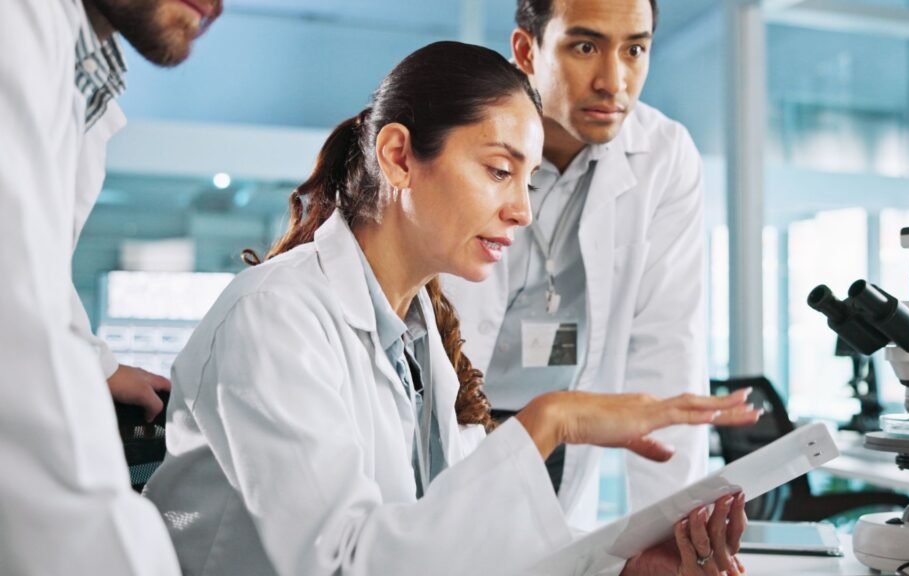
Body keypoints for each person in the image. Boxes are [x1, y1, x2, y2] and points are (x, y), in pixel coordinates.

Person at [144, 41, 758, 576]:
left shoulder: (420, 334)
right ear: (399, 156)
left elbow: (454, 540)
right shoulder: (274, 318)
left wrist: (620, 567)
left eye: (528, 180)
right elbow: (342, 565)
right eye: (498, 170)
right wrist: (550, 421)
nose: (523, 209)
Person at [442, 0, 709, 531]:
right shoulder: (456, 137)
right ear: (526, 50)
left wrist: (673, 531)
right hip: (453, 424)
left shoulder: (665, 155)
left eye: (634, 49)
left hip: (569, 434)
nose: (614, 81)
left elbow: (666, 345)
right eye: (585, 47)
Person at [0, 0, 220, 573]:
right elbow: (15, 341)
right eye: (491, 168)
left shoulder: (80, 66)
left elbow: (32, 274)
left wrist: (94, 364)